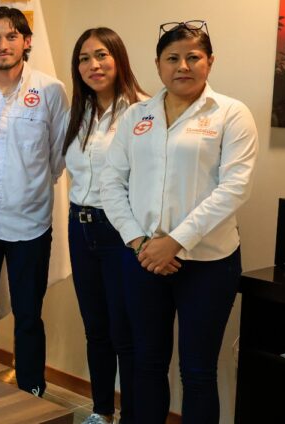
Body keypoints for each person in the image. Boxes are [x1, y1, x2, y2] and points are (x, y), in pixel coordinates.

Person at [100, 21, 257, 423]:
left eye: (193, 57)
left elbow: (234, 188)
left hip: (208, 264)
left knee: (198, 372)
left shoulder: (231, 114)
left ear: (210, 62)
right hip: (143, 260)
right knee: (147, 363)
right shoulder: (137, 116)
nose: (182, 66)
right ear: (158, 65)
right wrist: (139, 242)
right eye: (172, 58)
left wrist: (175, 241)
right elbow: (111, 183)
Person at [0, 6, 68, 396]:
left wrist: (27, 187)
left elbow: (58, 155)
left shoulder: (51, 91)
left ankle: (31, 392)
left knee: (28, 314)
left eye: (12, 36)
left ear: (26, 42)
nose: (3, 45)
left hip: (30, 221)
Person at [64, 28, 147, 424]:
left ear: (118, 59)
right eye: (84, 59)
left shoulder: (141, 110)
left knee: (123, 331)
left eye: (101, 55)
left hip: (119, 232)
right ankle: (101, 411)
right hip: (79, 227)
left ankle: (131, 415)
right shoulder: (79, 112)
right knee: (95, 327)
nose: (93, 65)